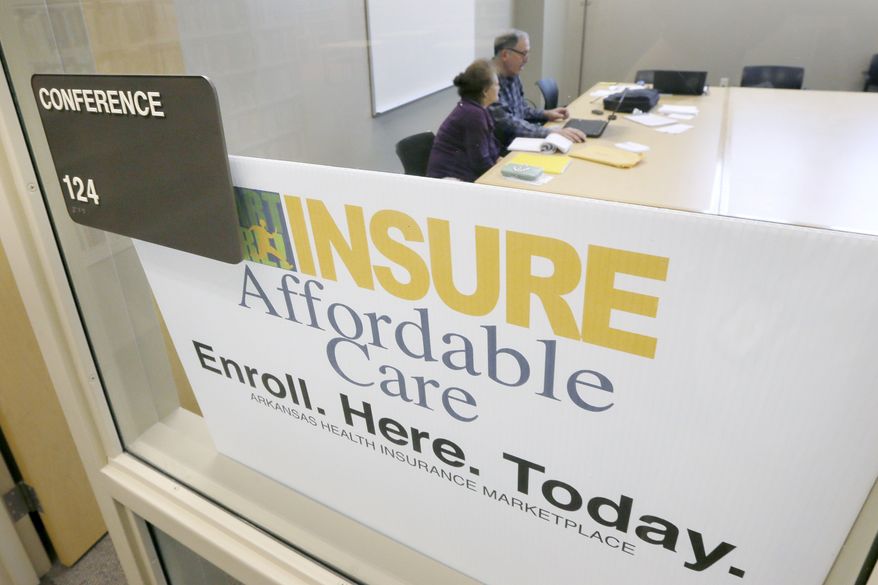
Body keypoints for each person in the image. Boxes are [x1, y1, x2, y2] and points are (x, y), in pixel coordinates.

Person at [489, 30, 586, 147]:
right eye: (523, 53)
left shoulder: (512, 73)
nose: (526, 59)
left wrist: (545, 114)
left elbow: (521, 109)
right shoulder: (487, 81)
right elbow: (507, 124)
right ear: (505, 55)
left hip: (517, 140)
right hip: (501, 151)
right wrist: (551, 132)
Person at [426, 59, 502, 182]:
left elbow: (488, 151)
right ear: (485, 91)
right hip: (449, 182)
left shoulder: (475, 110)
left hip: (459, 177)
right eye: (497, 84)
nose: (499, 88)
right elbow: (480, 163)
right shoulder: (474, 114)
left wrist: (498, 161)